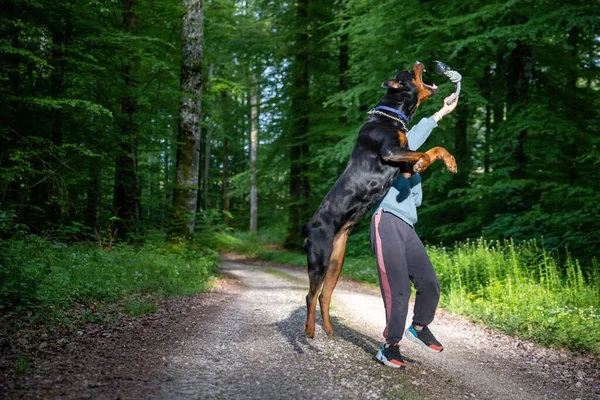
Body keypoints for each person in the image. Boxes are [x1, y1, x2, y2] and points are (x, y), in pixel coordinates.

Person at [371, 95, 458, 369]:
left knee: (430, 283)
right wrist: (438, 116)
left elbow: (415, 200)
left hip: (408, 226)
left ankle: (419, 326)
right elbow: (413, 141)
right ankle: (389, 347)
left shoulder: (412, 168)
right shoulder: (386, 155)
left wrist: (414, 173)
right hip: (386, 220)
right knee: (398, 289)